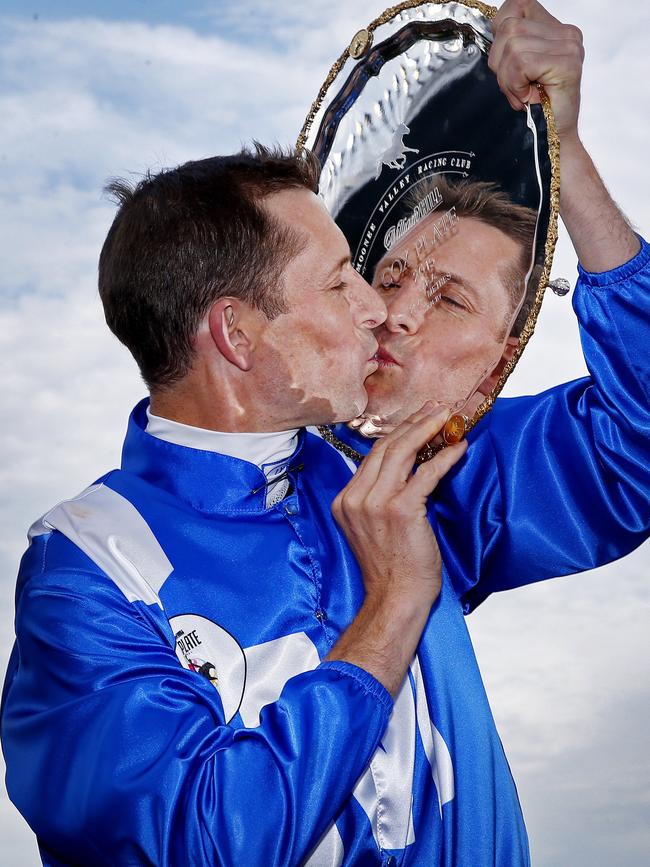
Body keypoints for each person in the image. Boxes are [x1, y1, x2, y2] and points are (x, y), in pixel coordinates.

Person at [2, 1, 649, 865]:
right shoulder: (84, 573)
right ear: (237, 334)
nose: (381, 309)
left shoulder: (404, 476)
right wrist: (393, 605)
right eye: (350, 279)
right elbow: (195, 844)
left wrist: (570, 154)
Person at [361, 176, 539, 431]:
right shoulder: (289, 434)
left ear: (499, 366)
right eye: (389, 283)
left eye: (449, 299)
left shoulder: (525, 457)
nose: (391, 314)